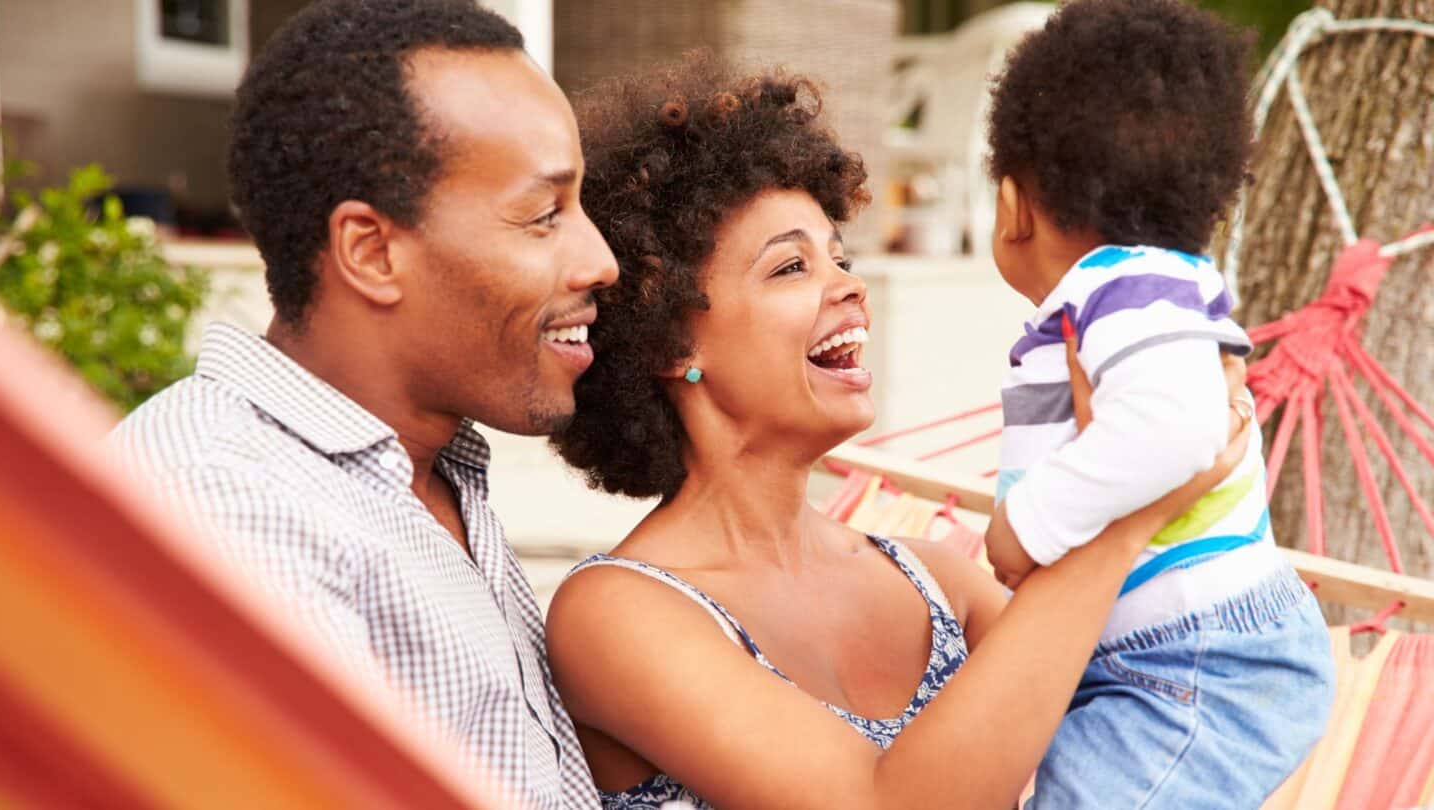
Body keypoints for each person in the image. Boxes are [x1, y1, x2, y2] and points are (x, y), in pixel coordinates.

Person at [544, 54, 1250, 810]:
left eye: (839, 257)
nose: (849, 286)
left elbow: (1150, 727)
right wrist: (1126, 513)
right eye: (790, 268)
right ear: (667, 343)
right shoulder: (616, 615)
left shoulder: (935, 582)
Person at [109, 1, 616, 806]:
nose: (601, 260)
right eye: (544, 215)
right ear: (372, 252)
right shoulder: (226, 501)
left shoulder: (428, 470)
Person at [978, 1, 1335, 806]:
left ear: (1012, 206)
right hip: (1165, 658)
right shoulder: (1138, 294)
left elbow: (1180, 429)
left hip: (1196, 660)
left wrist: (1027, 525)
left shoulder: (1125, 286)